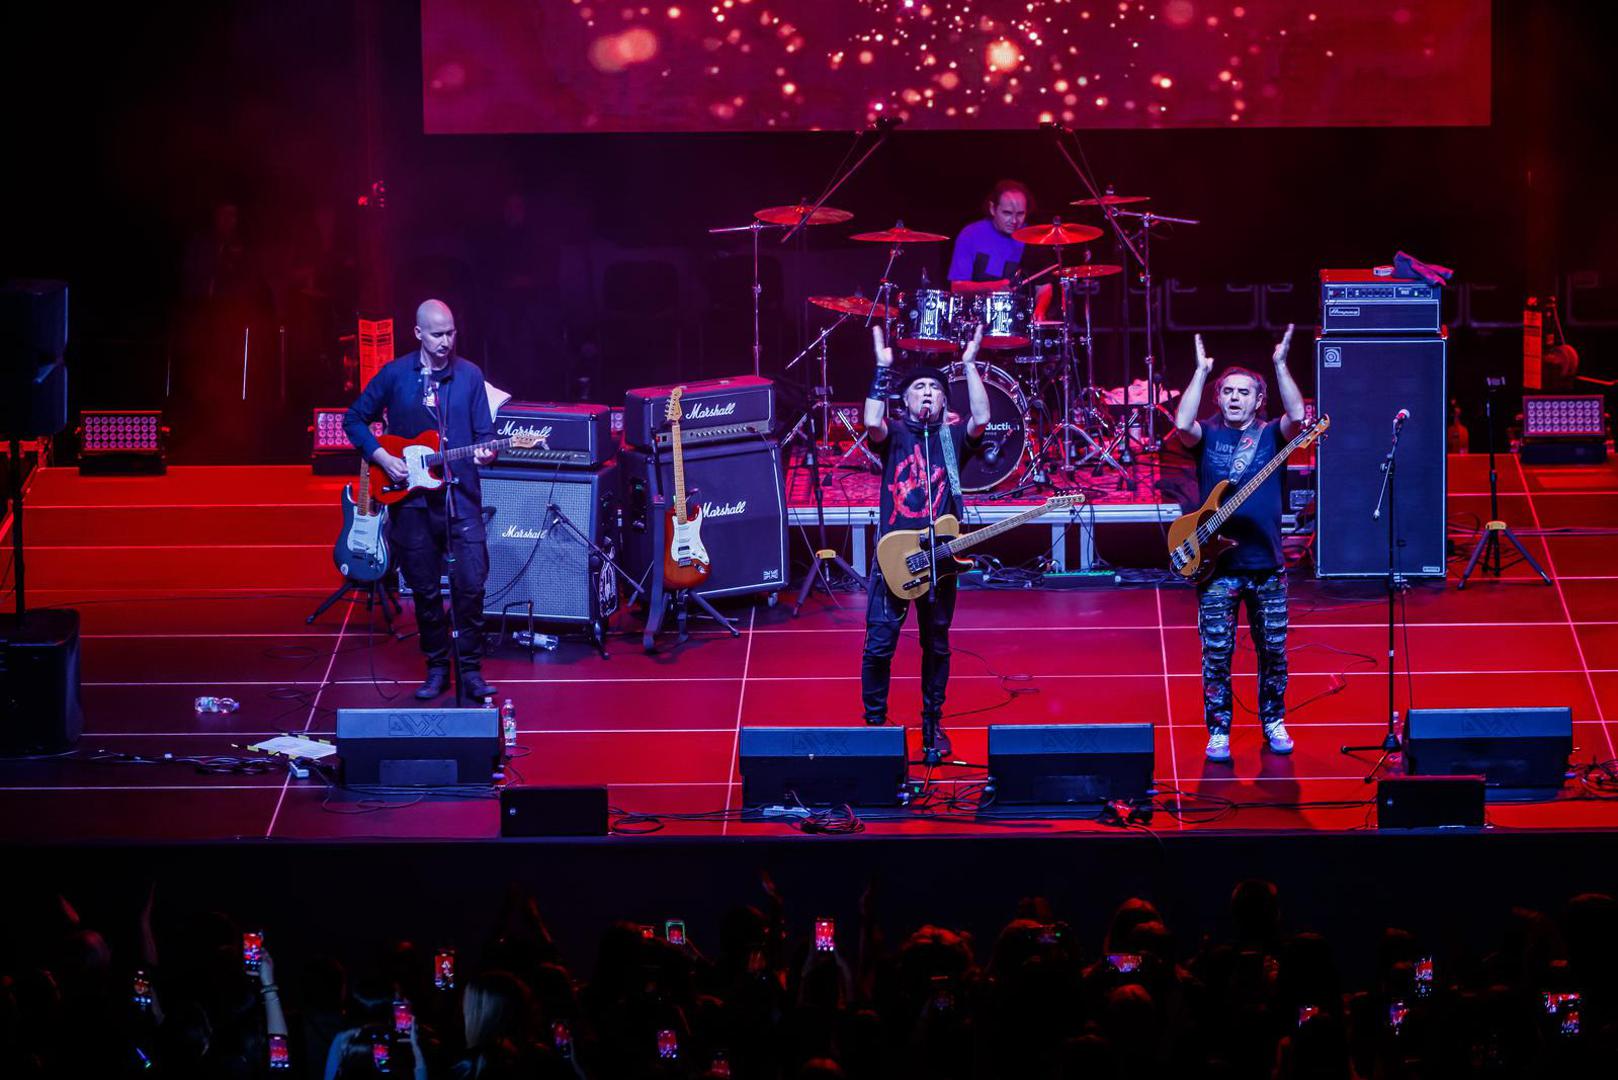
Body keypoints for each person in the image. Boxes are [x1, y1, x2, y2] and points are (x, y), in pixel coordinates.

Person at [344, 299, 499, 702]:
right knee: (425, 590)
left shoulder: (469, 376)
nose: (446, 341)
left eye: (451, 333)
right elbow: (353, 419)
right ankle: (436, 668)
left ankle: (470, 670)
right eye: (437, 334)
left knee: (471, 586)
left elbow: (485, 436)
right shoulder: (396, 375)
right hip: (411, 503)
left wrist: (486, 452)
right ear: (418, 333)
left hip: (460, 500)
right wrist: (382, 457)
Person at [1173, 325, 1305, 762]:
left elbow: (1298, 417)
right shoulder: (1207, 435)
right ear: (1218, 398)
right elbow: (1181, 424)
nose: (1234, 397)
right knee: (1216, 655)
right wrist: (1200, 372)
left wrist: (1281, 365)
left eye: (1243, 392)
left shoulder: (1271, 436)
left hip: (1266, 564)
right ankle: (1218, 730)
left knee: (1274, 653)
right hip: (1217, 570)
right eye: (1227, 391)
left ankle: (1273, 721)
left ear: (1257, 399)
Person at [861, 324, 991, 757]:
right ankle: (874, 725)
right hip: (893, 557)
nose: (928, 393)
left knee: (936, 644)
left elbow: (982, 419)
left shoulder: (951, 440)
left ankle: (932, 724)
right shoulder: (896, 435)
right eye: (919, 388)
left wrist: (969, 365)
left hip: (938, 559)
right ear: (906, 401)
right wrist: (882, 369)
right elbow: (872, 421)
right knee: (880, 645)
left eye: (934, 388)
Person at [946, 180, 1031, 284]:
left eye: (1020, 214)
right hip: (977, 296)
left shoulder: (1031, 239)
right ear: (992, 209)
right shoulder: (971, 234)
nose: (1014, 221)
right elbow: (957, 286)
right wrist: (994, 287)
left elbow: (1043, 288)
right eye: (1007, 213)